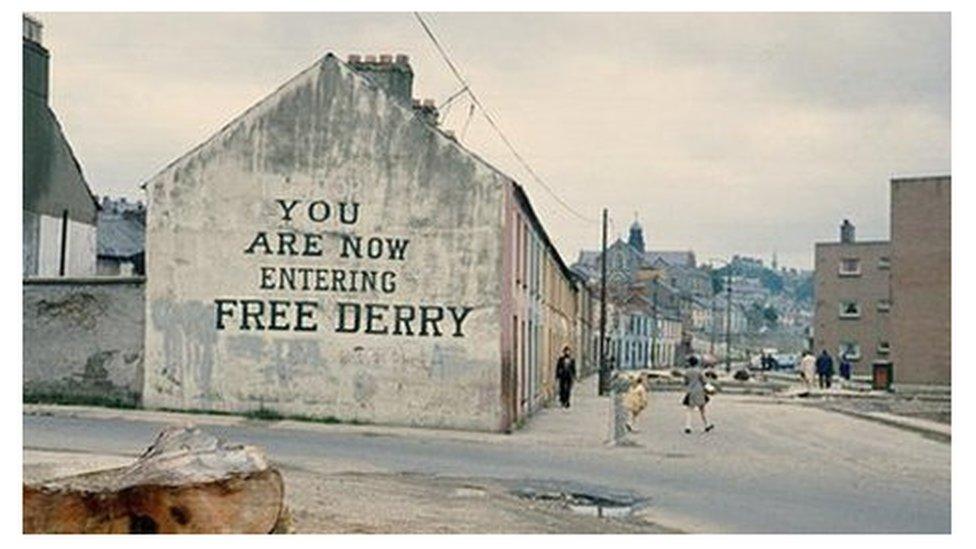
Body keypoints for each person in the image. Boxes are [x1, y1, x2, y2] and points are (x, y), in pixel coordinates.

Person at [682, 355, 714, 434]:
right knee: (702, 409)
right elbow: (703, 381)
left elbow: (685, 382)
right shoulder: (699, 371)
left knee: (689, 409)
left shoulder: (687, 372)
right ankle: (706, 425)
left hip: (691, 391)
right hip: (699, 391)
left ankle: (688, 426)